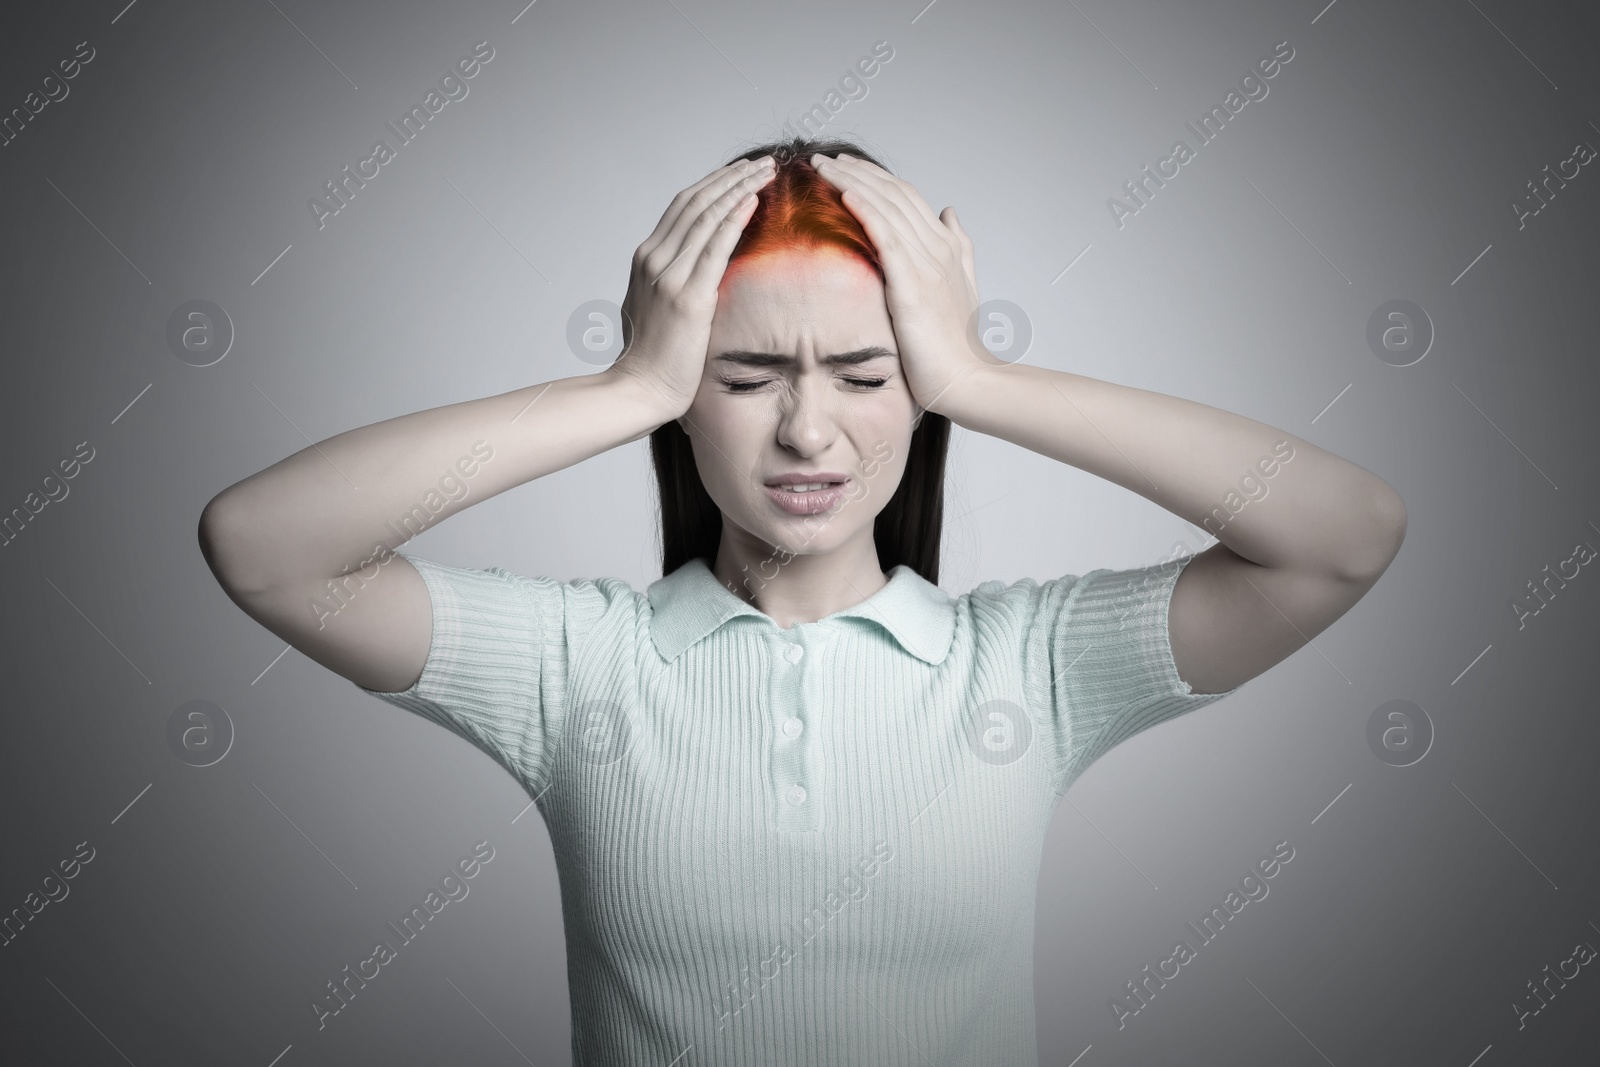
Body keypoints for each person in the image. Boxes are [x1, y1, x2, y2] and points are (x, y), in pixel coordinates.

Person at [198, 135, 1406, 1065]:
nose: (808, 429)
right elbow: (264, 544)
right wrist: (627, 385)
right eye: (746, 373)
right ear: (688, 393)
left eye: (866, 372)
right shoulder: (580, 668)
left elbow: (1341, 535)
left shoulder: (1023, 667)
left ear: (916, 390)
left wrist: (979, 376)